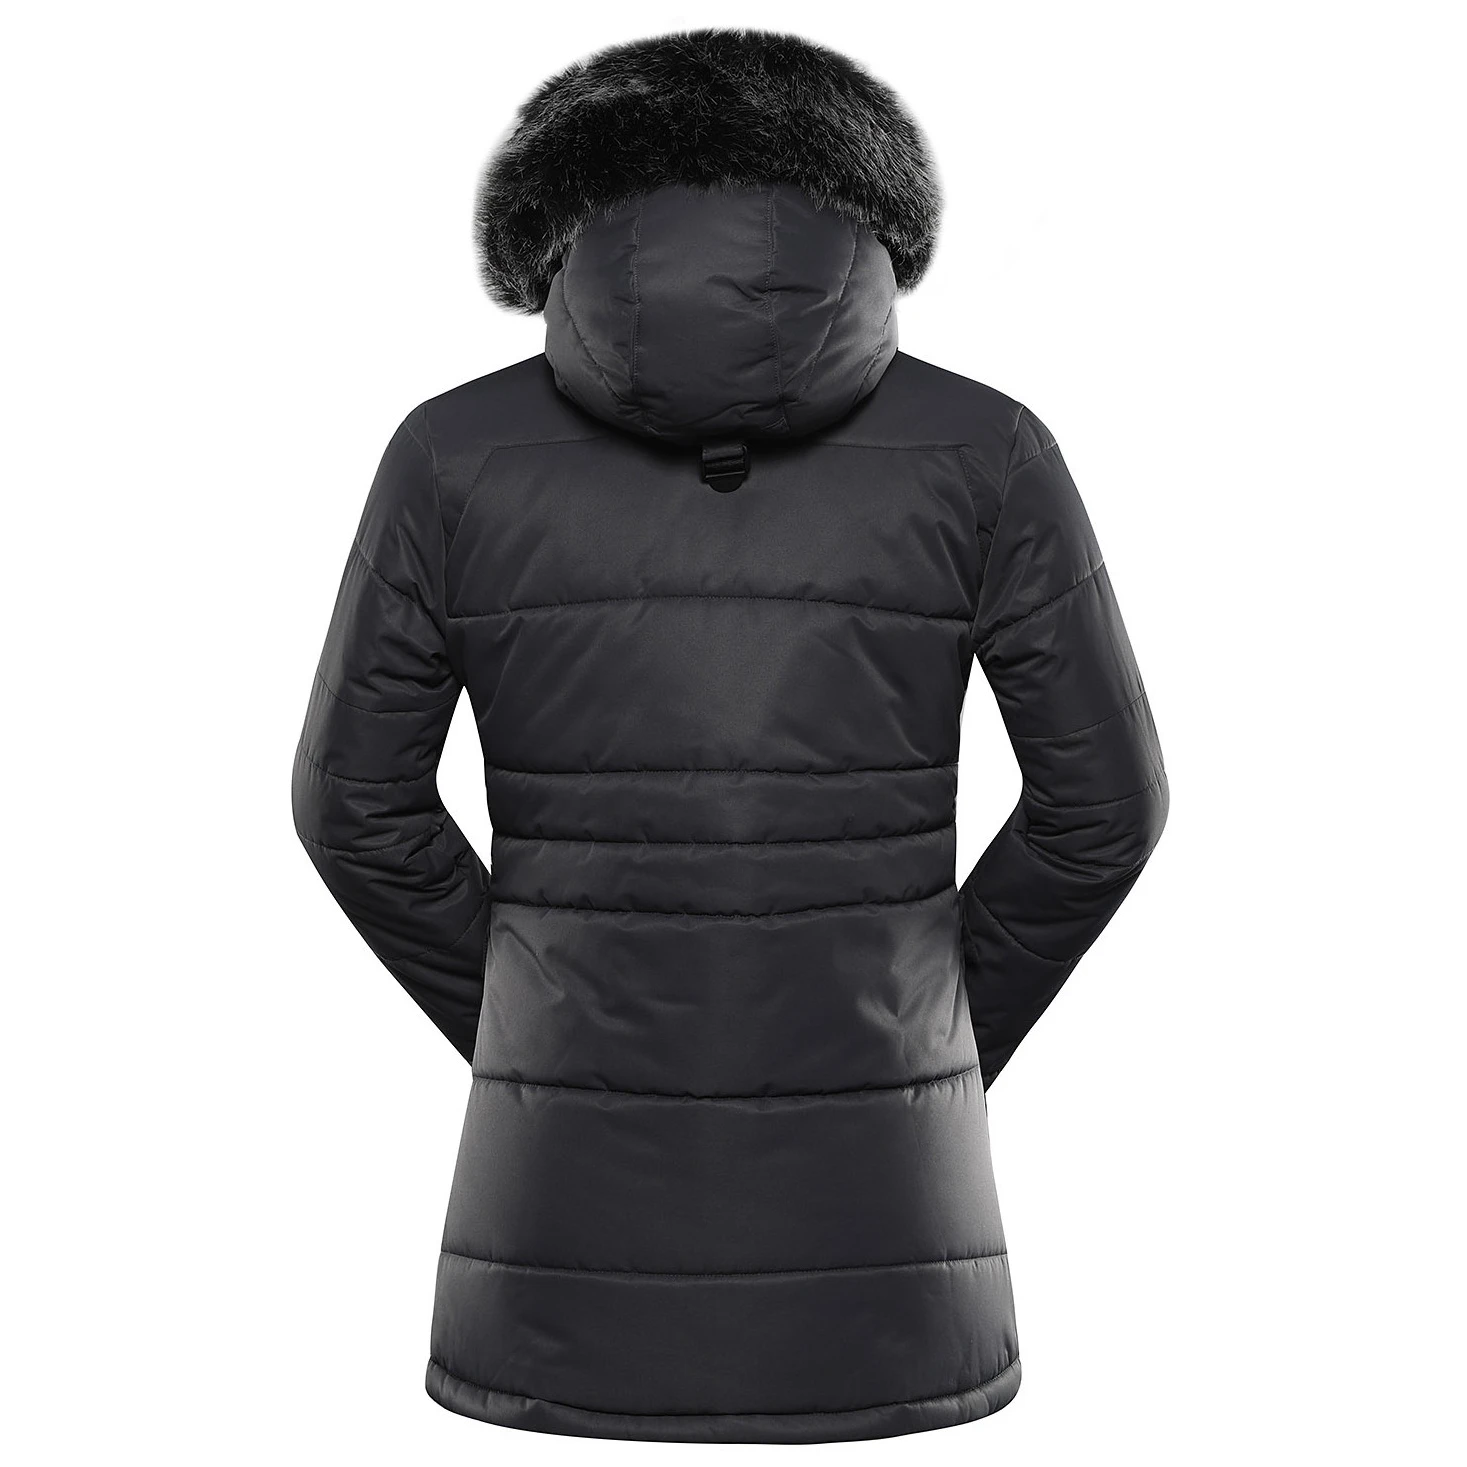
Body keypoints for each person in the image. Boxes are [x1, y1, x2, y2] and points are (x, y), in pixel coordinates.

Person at [293, 27, 1167, 1444]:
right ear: (867, 206)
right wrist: (916, 1032)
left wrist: (546, 1019)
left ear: (558, 213)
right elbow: (1104, 809)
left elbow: (355, 808)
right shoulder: (986, 451)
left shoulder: (448, 456)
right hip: (896, 1246)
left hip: (552, 1248)